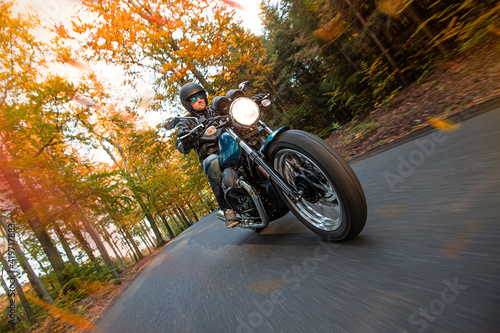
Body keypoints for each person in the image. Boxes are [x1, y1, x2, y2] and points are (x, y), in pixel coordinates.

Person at [175, 82, 240, 228]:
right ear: (188, 104)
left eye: (200, 96)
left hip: (231, 145)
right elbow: (180, 142)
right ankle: (227, 209)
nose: (199, 100)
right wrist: (184, 139)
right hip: (213, 154)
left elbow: (231, 108)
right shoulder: (187, 121)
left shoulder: (216, 109)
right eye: (193, 99)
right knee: (212, 162)